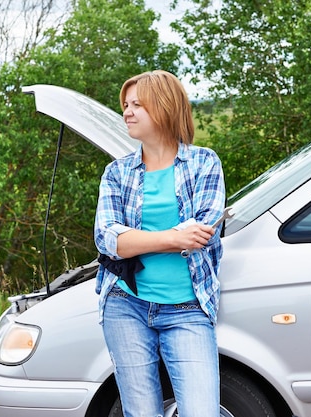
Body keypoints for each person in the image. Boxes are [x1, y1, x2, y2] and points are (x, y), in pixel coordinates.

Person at [94, 70, 226, 417]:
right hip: (125, 305)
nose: (127, 112)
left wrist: (134, 240)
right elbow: (107, 238)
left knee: (202, 411)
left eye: (138, 104)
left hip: (187, 309)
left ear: (164, 107)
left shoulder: (204, 163)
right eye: (126, 105)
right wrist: (171, 237)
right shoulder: (117, 173)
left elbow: (201, 233)